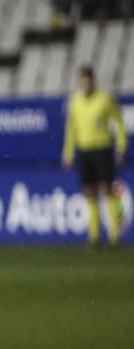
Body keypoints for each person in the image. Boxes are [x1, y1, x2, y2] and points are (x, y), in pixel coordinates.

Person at [62, 66, 128, 247]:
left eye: (88, 81)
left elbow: (119, 123)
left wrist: (121, 147)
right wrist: (68, 152)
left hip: (102, 148)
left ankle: (115, 234)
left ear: (93, 81)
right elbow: (71, 129)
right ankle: (94, 236)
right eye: (82, 81)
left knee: (107, 190)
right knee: (89, 192)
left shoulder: (105, 99)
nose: (85, 84)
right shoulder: (74, 102)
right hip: (84, 151)